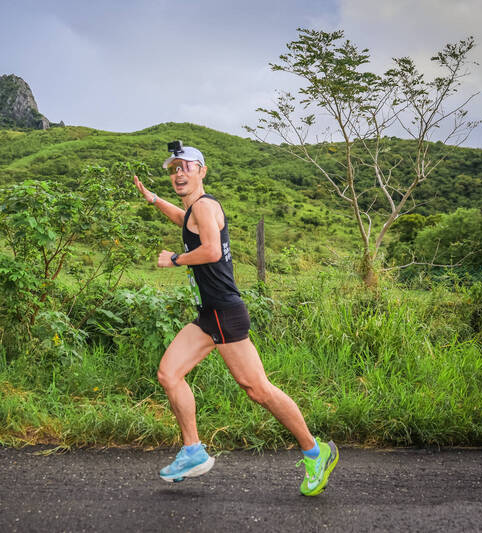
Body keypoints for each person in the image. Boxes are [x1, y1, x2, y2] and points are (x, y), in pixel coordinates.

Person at [132, 144, 338, 496]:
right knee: (169, 374)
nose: (178, 173)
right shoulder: (194, 210)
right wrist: (153, 199)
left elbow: (211, 250)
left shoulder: (206, 206)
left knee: (258, 389)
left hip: (225, 314)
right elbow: (184, 222)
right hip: (208, 316)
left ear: (202, 171)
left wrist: (176, 259)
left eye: (186, 166)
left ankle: (315, 452)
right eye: (174, 168)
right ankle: (192, 451)